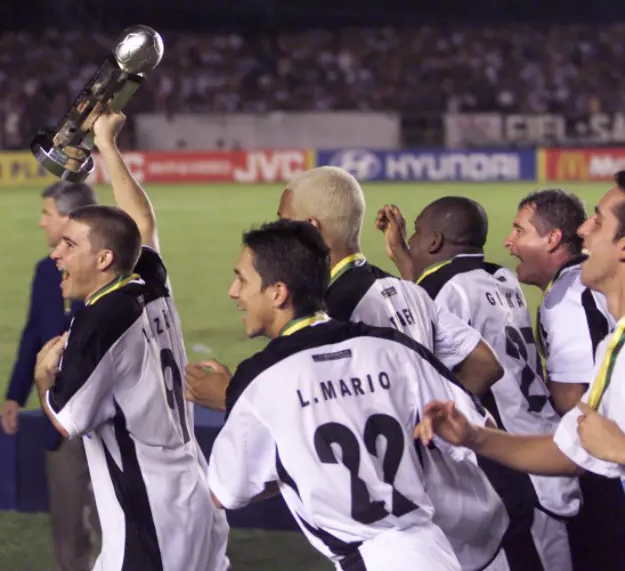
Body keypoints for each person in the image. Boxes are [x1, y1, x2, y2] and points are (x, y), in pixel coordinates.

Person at [186, 166, 507, 571]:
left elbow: (246, 477)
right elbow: (483, 366)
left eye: (285, 222)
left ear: (311, 228)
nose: (278, 231)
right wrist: (424, 428)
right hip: (468, 512)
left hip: (397, 518)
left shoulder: (333, 316)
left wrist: (234, 398)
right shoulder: (404, 289)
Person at [33, 110, 229, 571]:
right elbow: (140, 224)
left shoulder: (98, 321)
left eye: (69, 246)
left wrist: (44, 377)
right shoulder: (148, 280)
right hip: (196, 490)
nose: (55, 254)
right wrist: (106, 142)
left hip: (151, 517)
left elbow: (68, 419)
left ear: (104, 259)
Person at [378, 196, 577, 571]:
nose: (413, 244)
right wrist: (402, 251)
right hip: (546, 445)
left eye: (418, 236)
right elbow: (436, 286)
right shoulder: (502, 279)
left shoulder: (443, 289)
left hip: (515, 465)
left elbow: (428, 300)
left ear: (434, 243)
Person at [502, 188, 625, 571]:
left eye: (519, 230)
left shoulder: (569, 296)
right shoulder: (582, 298)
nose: (509, 242)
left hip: (602, 481)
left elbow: (576, 399)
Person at [1, 181, 101, 571]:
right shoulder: (45, 272)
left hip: (109, 417)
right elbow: (33, 334)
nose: (41, 223)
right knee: (67, 521)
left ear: (71, 220)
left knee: (118, 521)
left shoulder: (112, 269)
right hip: (59, 416)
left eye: (47, 214)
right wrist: (15, 393)